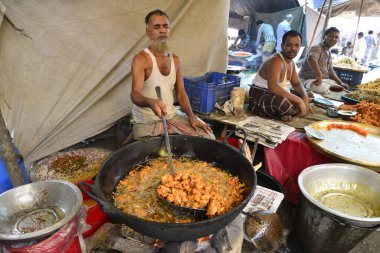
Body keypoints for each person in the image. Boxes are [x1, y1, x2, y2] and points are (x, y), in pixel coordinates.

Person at [130, 9, 213, 139]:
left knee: (209, 138)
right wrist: (150, 102)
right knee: (156, 151)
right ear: (148, 32)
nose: (162, 30)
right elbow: (135, 94)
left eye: (166, 26)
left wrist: (192, 116)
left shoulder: (175, 60)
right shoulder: (141, 59)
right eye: (157, 27)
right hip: (147, 119)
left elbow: (181, 93)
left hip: (171, 116)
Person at [248, 30, 313, 122]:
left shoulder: (291, 63)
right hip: (261, 96)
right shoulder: (276, 61)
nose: (293, 48)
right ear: (282, 46)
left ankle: (288, 111)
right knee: (281, 103)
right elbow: (273, 88)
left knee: (309, 94)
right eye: (289, 45)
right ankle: (291, 110)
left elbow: (297, 84)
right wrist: (299, 101)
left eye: (296, 45)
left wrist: (305, 100)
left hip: (278, 94)